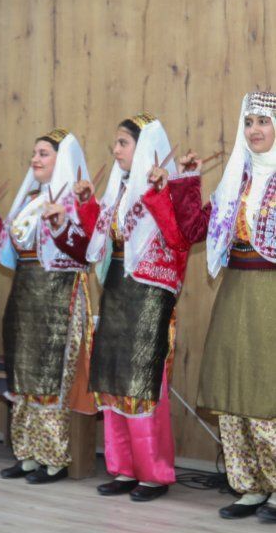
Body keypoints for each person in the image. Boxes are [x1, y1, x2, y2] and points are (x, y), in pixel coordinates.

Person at [57, 113, 188, 501]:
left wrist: (161, 194)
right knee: (113, 378)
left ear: (144, 147)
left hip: (149, 292)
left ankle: (153, 473)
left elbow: (178, 238)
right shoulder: (118, 189)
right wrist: (85, 206)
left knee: (143, 384)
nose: (115, 150)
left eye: (123, 143)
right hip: (115, 287)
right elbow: (96, 243)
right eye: (115, 143)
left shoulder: (168, 188)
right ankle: (124, 468)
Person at [166, 91, 276, 522]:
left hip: (271, 295)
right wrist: (188, 181)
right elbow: (194, 229)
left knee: (266, 391)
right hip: (234, 292)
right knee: (232, 389)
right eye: (248, 122)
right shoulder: (236, 182)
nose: (254, 130)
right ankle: (248, 486)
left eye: (263, 121)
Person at [0, 127, 93, 484]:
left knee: (50, 376)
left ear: (61, 159)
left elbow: (85, 250)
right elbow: (4, 244)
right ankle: (26, 454)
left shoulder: (76, 200)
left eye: (44, 154)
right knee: (22, 373)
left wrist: (63, 222)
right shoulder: (29, 201)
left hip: (58, 295)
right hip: (24, 295)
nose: (35, 159)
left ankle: (53, 458)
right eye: (35, 153)